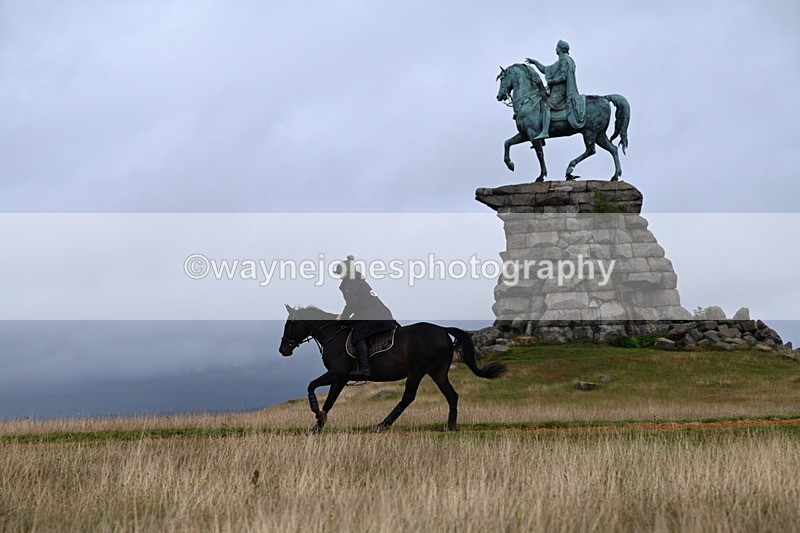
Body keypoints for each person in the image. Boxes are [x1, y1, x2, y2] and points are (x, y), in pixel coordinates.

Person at [334, 255, 396, 379]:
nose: (338, 275)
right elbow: (358, 306)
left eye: (340, 272)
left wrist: (342, 317)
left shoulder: (350, 283)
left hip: (372, 315)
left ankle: (364, 369)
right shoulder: (358, 281)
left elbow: (352, 304)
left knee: (357, 336)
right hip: (382, 314)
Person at [526, 39, 586, 138]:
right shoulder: (560, 62)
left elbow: (563, 77)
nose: (555, 49)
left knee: (546, 106)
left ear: (561, 49)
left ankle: (545, 131)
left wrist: (551, 82)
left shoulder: (565, 60)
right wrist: (535, 62)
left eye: (557, 47)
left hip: (562, 92)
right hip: (557, 91)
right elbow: (545, 70)